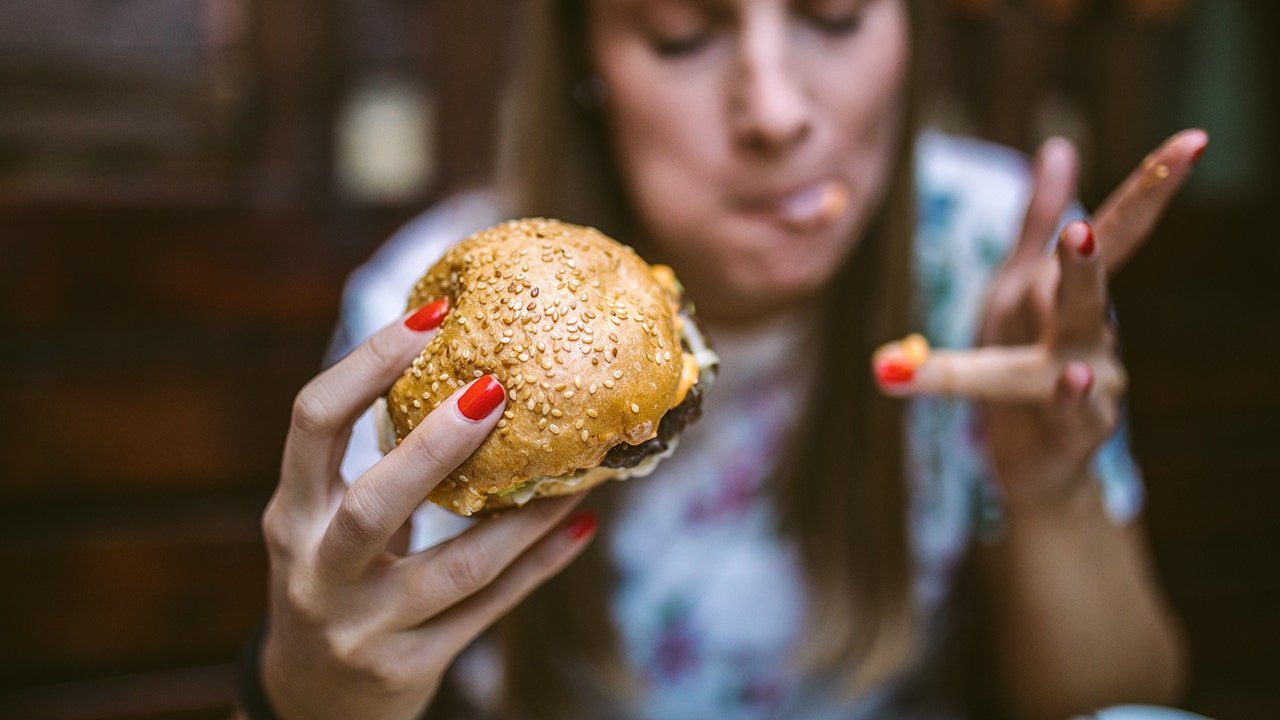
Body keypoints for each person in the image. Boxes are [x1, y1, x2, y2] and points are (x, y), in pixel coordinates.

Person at [240, 0, 1205, 718]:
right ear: (588, 58)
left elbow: (1126, 701)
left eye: (834, 14)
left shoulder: (992, 256)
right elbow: (342, 655)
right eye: (681, 34)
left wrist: (1053, 493)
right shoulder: (435, 328)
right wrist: (308, 687)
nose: (777, 111)